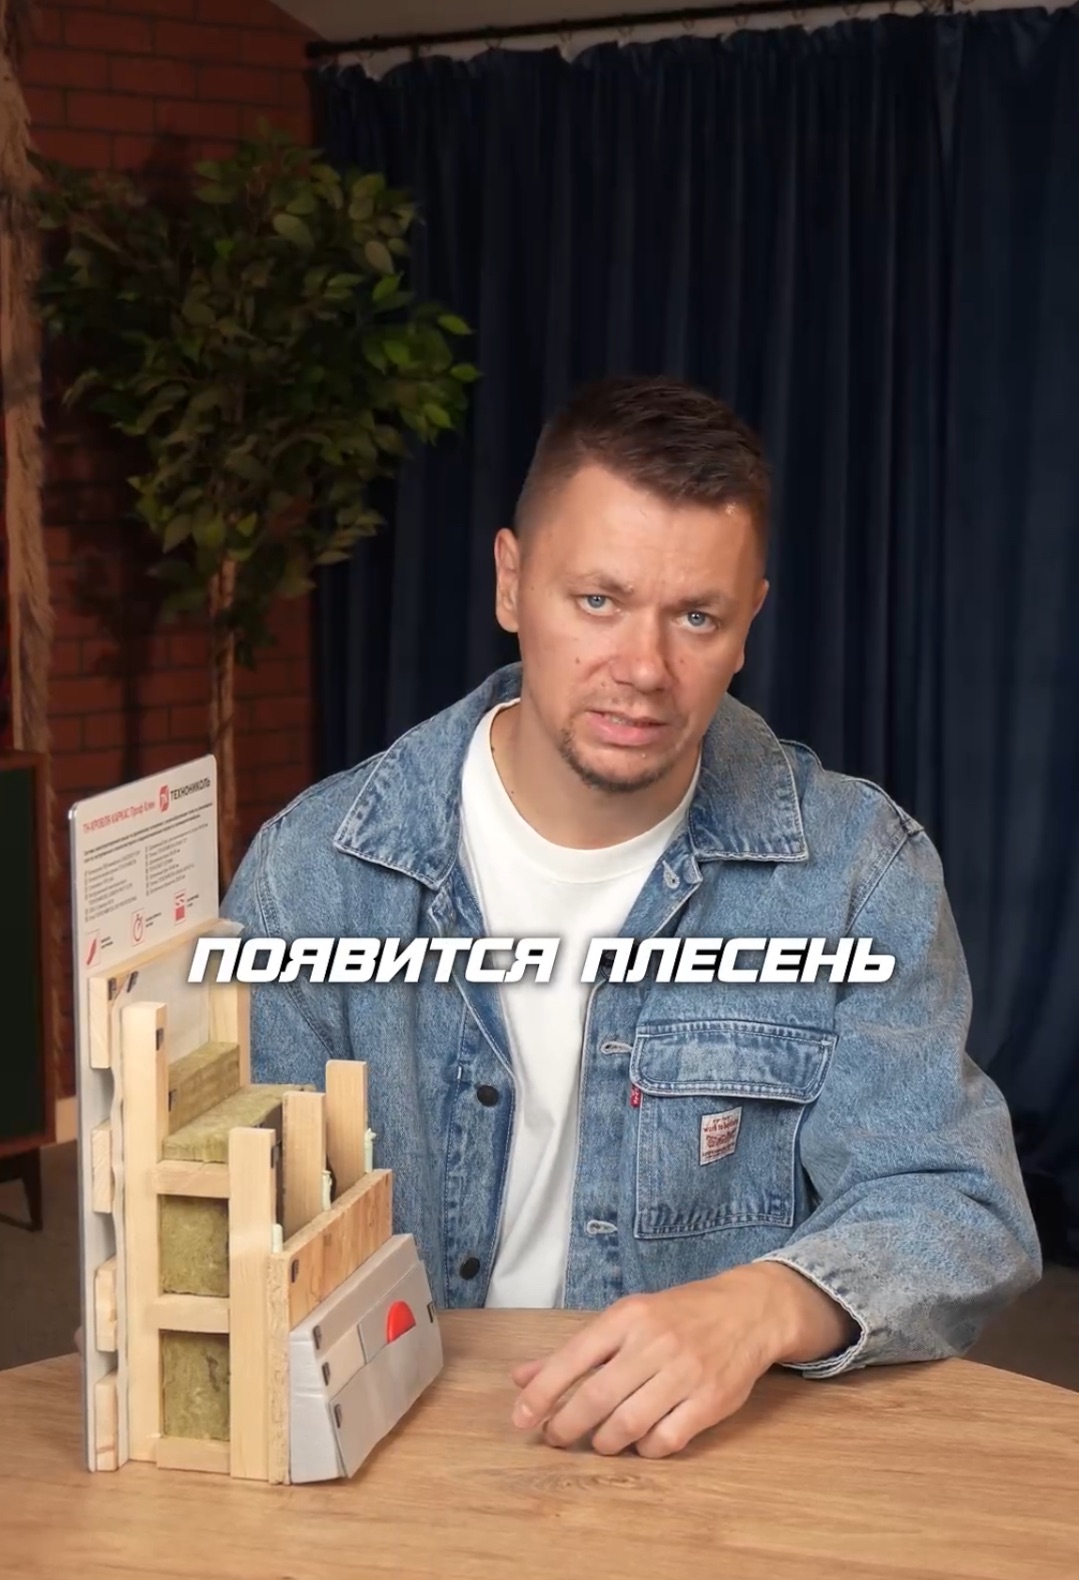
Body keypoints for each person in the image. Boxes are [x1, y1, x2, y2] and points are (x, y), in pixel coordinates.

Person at [222, 374, 1041, 1458]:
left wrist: (762, 1304)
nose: (643, 670)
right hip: (396, 1449)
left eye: (695, 616)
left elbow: (955, 1203)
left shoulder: (856, 870)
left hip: (703, 1459)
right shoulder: (316, 872)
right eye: (597, 602)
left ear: (746, 624)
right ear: (511, 583)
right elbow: (237, 1227)